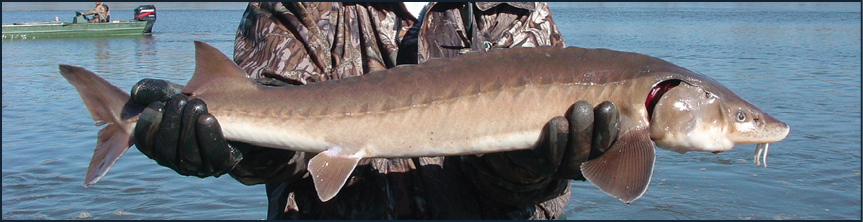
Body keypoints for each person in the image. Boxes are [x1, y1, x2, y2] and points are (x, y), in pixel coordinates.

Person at [129, 2, 620, 219]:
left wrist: (531, 169)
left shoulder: (513, 10)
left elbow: (512, 190)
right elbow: (284, 155)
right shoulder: (299, 5)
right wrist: (232, 149)